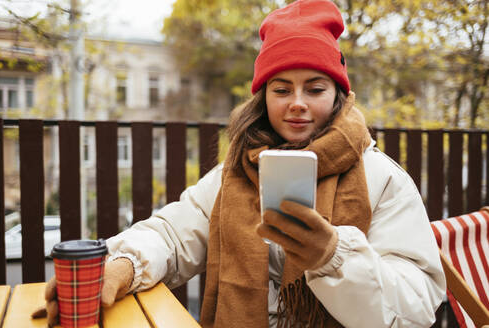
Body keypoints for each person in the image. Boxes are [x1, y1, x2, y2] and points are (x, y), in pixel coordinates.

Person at [35, 0, 446, 327]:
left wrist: (334, 256)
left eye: (315, 88)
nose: (297, 103)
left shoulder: (383, 179)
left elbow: (416, 306)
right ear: (263, 99)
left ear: (338, 96)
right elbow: (174, 234)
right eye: (282, 89)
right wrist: (122, 266)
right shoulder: (238, 172)